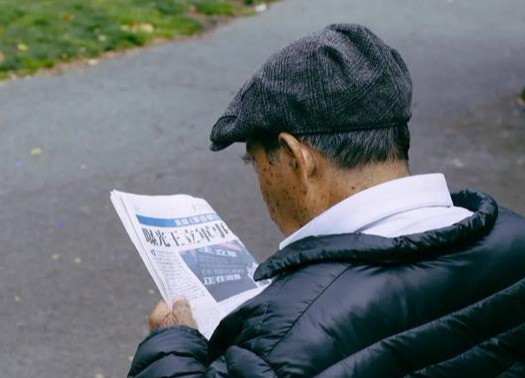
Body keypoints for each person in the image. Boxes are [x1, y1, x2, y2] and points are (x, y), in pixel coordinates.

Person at [128, 24, 525, 377]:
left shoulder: (283, 337)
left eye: (255, 160)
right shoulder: (514, 241)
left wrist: (172, 346)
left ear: (296, 157)